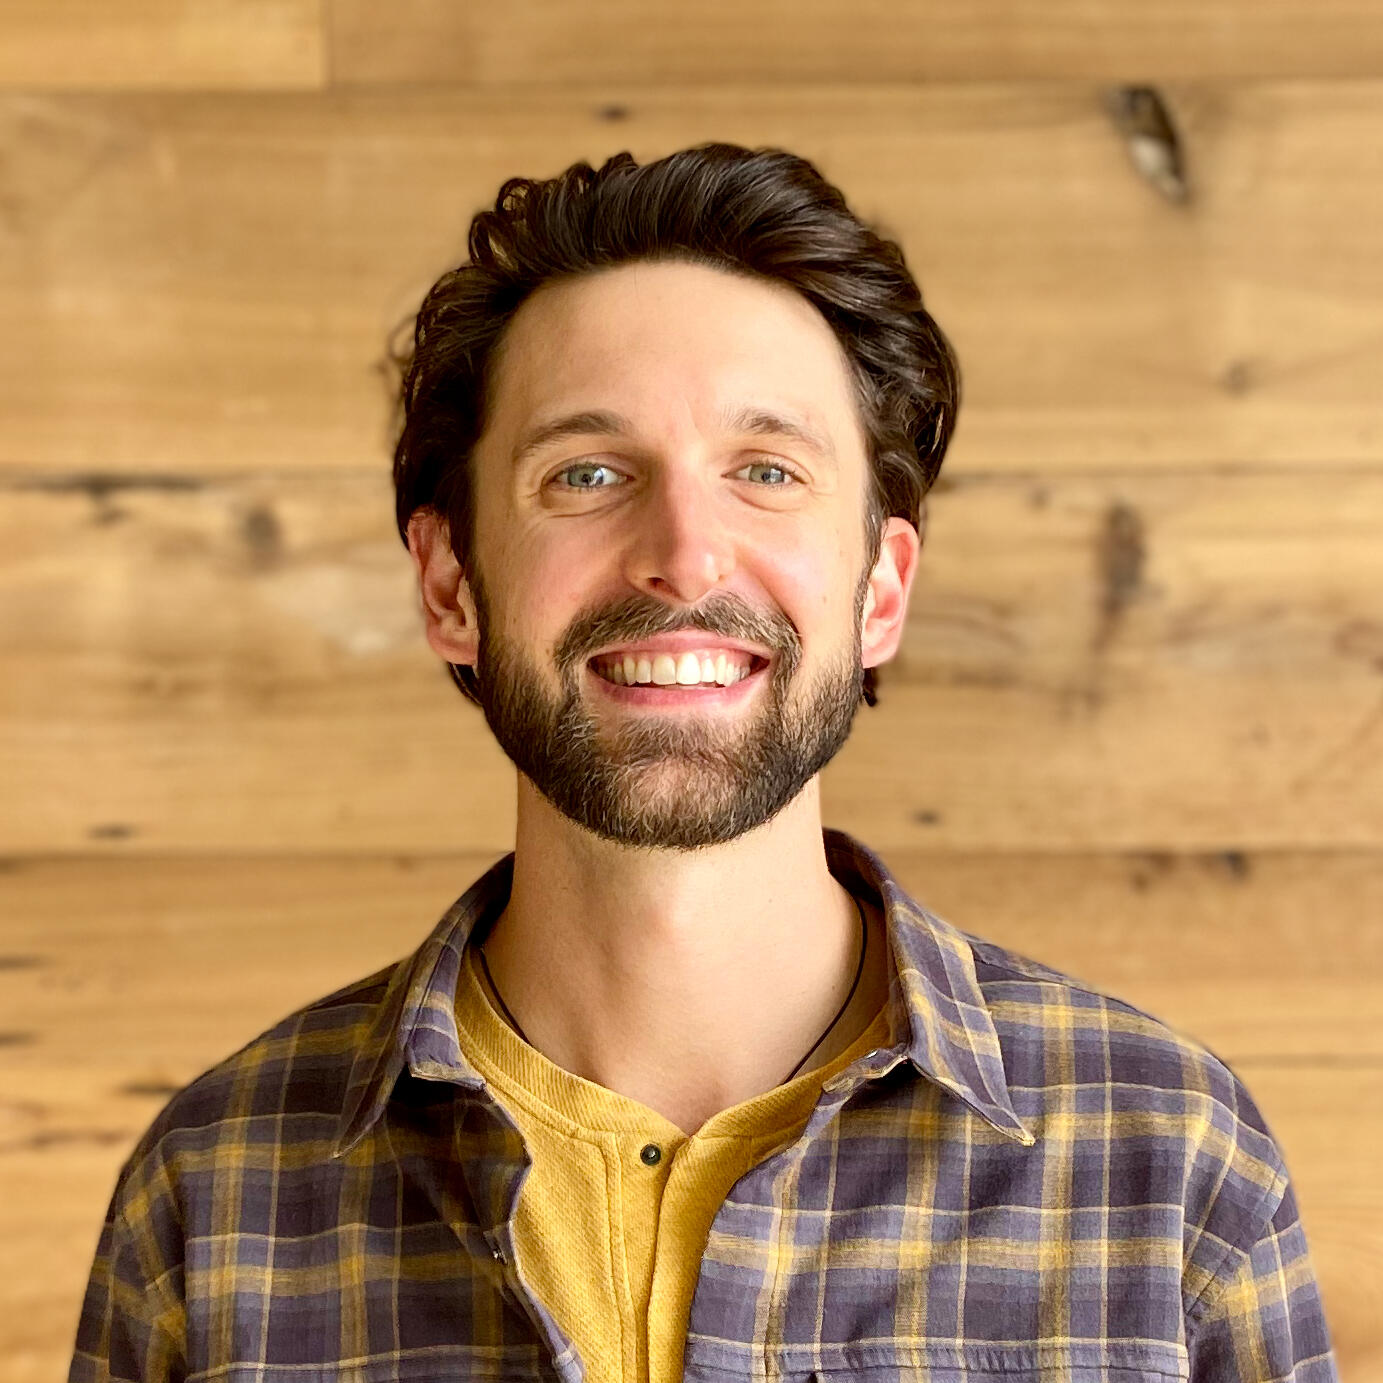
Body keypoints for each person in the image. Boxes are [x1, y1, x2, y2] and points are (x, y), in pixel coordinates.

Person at [70, 144, 1337, 1383]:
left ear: (881, 589)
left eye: (766, 471)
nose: (685, 554)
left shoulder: (1168, 1164)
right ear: (452, 583)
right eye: (587, 472)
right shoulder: (215, 1195)